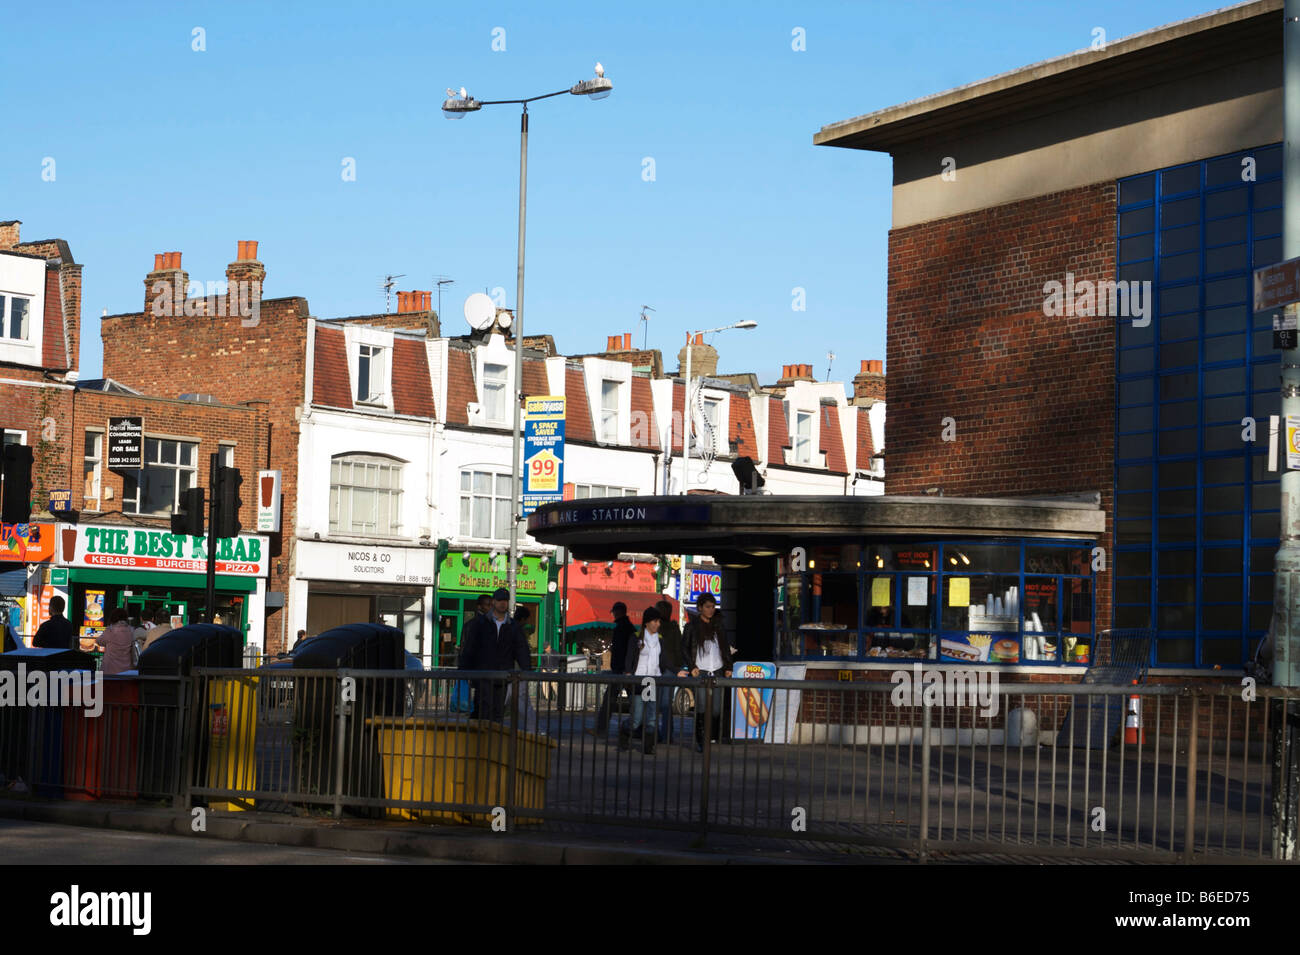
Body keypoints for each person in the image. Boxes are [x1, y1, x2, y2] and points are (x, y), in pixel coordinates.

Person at [457, 587, 531, 721]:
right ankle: (484, 740)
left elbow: (521, 649)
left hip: (503, 675)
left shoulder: (513, 626)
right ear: (494, 602)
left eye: (505, 600)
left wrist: (527, 670)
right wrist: (463, 670)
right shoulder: (480, 623)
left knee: (498, 712)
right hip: (484, 674)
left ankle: (494, 740)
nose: (503, 603)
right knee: (485, 709)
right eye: (500, 600)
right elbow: (470, 647)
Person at [679, 593, 733, 752]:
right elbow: (684, 648)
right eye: (707, 607)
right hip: (700, 671)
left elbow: (725, 648)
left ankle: (710, 736)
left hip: (717, 670)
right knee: (702, 706)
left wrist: (728, 667)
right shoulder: (691, 626)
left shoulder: (719, 626)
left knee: (716, 709)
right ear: (700, 608)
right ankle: (701, 739)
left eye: (713, 607)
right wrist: (691, 667)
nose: (711, 610)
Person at [620, 607, 666, 754]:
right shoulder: (636, 637)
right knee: (636, 719)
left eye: (659, 621)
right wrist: (627, 673)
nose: (657, 624)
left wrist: (677, 670)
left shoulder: (659, 639)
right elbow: (628, 657)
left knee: (651, 717)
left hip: (651, 681)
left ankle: (648, 746)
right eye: (655, 621)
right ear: (647, 622)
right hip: (639, 681)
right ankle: (625, 731)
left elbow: (664, 660)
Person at [590, 601, 636, 737]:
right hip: (628, 669)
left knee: (609, 700)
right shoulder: (630, 628)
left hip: (620, 669)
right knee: (634, 700)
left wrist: (620, 667)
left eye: (615, 612)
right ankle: (638, 727)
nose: (613, 615)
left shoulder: (621, 628)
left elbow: (621, 650)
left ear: (619, 611)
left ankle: (601, 729)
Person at [655, 600, 684, 743]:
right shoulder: (674, 628)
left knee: (657, 703)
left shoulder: (657, 627)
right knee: (665, 704)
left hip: (660, 668)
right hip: (670, 668)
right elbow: (679, 649)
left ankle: (655, 733)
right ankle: (666, 735)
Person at [96, 608, 136, 675]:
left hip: (110, 670)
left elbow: (99, 641)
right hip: (126, 670)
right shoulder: (131, 630)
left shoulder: (110, 630)